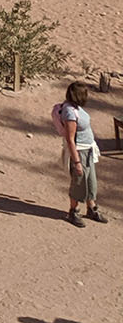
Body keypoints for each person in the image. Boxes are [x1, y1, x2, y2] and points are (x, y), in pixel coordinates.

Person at [56, 81, 106, 225]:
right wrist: (76, 161)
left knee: (91, 182)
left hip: (88, 150)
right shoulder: (70, 112)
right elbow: (70, 140)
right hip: (79, 152)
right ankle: (74, 211)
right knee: (78, 183)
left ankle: (92, 208)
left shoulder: (75, 108)